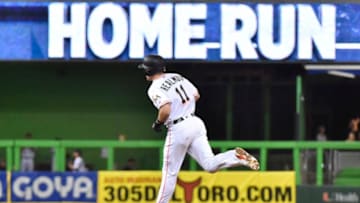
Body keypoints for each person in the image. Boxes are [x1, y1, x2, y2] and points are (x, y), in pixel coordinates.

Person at [138, 54, 259, 203]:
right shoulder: (177, 76)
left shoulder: (154, 88)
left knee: (169, 173)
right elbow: (196, 95)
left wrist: (158, 122)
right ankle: (235, 156)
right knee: (210, 165)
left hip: (178, 128)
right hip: (195, 122)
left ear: (149, 72)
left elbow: (166, 109)